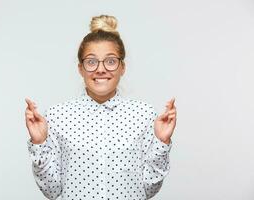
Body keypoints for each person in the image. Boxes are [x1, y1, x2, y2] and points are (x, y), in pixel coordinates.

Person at [24, 14, 177, 200]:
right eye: (91, 61)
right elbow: (52, 190)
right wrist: (39, 143)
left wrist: (161, 142)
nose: (101, 69)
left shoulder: (143, 114)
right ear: (80, 68)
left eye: (111, 61)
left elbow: (148, 189)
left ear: (122, 67)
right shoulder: (57, 115)